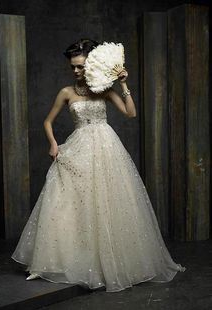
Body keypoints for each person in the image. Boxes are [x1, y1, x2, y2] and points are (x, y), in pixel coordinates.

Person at [11, 38, 185, 293]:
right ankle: (66, 261)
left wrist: (123, 83)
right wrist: (53, 144)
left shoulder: (103, 89)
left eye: (80, 66)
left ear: (90, 64)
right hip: (78, 148)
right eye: (73, 67)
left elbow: (130, 113)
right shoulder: (66, 93)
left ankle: (108, 264)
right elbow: (47, 121)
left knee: (107, 202)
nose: (76, 71)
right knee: (71, 203)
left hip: (106, 148)